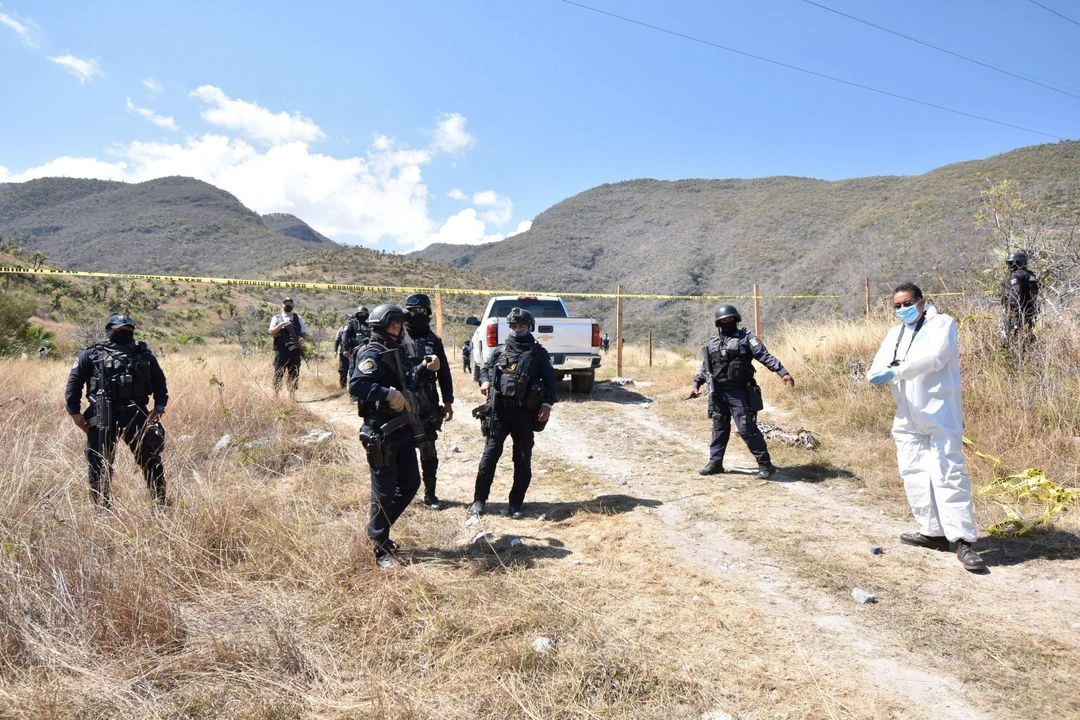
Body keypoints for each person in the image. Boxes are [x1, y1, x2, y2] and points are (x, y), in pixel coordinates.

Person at [866, 282, 987, 573]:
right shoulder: (896, 334)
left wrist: (896, 371)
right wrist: (877, 374)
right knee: (914, 473)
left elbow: (935, 358)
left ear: (921, 301)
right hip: (907, 415)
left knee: (948, 473)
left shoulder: (942, 324)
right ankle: (932, 532)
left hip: (940, 413)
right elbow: (879, 364)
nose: (902, 310)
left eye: (907, 303)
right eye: (897, 306)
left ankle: (963, 540)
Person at [350, 304, 432, 568]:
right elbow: (357, 384)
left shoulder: (397, 350)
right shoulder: (372, 351)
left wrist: (423, 367)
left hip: (402, 429)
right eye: (393, 324)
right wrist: (386, 394)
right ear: (381, 325)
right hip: (381, 431)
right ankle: (379, 546)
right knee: (384, 492)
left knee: (410, 483)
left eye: (399, 324)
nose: (398, 328)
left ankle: (375, 532)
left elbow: (405, 380)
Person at [65, 315, 168, 508]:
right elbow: (74, 383)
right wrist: (74, 412)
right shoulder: (91, 354)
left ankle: (160, 503)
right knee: (99, 460)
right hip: (102, 412)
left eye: (128, 330)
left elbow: (160, 381)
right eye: (120, 329)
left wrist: (160, 407)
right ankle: (101, 508)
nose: (124, 332)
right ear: (109, 330)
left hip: (136, 412)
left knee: (150, 458)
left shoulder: (144, 355)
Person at [688, 304, 794, 479]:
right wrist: (696, 384)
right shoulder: (713, 343)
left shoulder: (747, 338)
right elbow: (706, 368)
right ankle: (715, 463)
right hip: (718, 393)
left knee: (747, 429)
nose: (727, 322)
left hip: (740, 392)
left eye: (730, 319)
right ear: (718, 323)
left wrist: (782, 372)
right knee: (719, 428)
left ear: (736, 320)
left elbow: (764, 356)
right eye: (723, 320)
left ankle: (765, 465)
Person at [469, 307, 557, 518]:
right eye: (514, 325)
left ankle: (516, 504)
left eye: (522, 326)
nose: (518, 329)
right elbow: (485, 369)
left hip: (524, 414)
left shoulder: (539, 353)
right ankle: (479, 501)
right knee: (489, 457)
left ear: (530, 327)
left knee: (522, 459)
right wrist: (485, 381)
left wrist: (547, 405)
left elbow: (551, 382)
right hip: (499, 412)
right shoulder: (499, 351)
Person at [402, 293, 455, 509]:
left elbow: (445, 374)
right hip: (402, 402)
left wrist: (448, 402)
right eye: (414, 311)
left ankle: (430, 494)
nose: (418, 315)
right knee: (402, 450)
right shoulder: (397, 337)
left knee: (428, 450)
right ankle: (402, 494)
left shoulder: (434, 340)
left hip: (427, 403)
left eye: (422, 311)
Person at [268, 297, 307, 399]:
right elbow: (271, 332)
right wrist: (280, 325)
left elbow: (303, 333)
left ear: (293, 305)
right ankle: (276, 395)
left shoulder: (298, 318)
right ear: (282, 305)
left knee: (294, 372)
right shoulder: (276, 318)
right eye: (286, 303)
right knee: (278, 372)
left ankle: (292, 395)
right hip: (281, 349)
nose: (288, 305)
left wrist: (302, 339)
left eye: (290, 303)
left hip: (294, 350)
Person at [1001, 251, 1039, 348]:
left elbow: (1015, 293)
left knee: (1013, 335)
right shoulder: (1031, 275)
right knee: (1026, 333)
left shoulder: (1016, 276)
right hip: (1030, 311)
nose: (1009, 266)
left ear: (1018, 263)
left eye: (1011, 263)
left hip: (1016, 312)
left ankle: (1016, 353)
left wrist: (1014, 310)